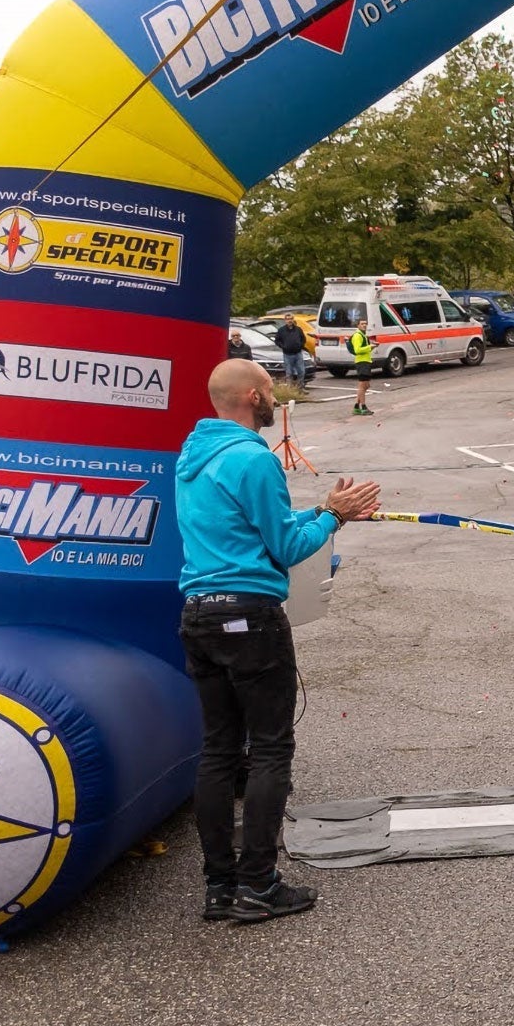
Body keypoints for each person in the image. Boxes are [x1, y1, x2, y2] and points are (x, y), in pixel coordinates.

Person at [176, 358, 380, 923]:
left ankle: (220, 885)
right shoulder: (252, 458)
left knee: (220, 750)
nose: (275, 398)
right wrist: (333, 516)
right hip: (249, 616)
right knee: (268, 749)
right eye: (268, 390)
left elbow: (257, 531)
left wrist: (319, 512)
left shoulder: (192, 457)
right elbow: (287, 548)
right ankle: (258, 884)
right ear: (249, 396)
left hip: (199, 614)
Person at [348, 312, 374, 416]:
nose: (364, 325)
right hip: (361, 362)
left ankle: (356, 406)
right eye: (362, 324)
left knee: (366, 385)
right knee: (362, 386)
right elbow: (357, 350)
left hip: (366, 361)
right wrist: (370, 347)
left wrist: (372, 347)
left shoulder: (363, 335)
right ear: (358, 325)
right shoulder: (357, 335)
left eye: (365, 323)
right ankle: (363, 407)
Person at [273, 313, 308, 388]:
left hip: (298, 354)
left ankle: (300, 388)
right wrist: (283, 346)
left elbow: (303, 339)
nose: (290, 321)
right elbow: (277, 341)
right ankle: (290, 389)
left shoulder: (298, 329)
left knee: (301, 371)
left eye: (291, 319)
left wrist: (300, 346)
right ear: (285, 320)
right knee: (289, 373)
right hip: (287, 354)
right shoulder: (281, 330)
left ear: (293, 319)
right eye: (288, 319)